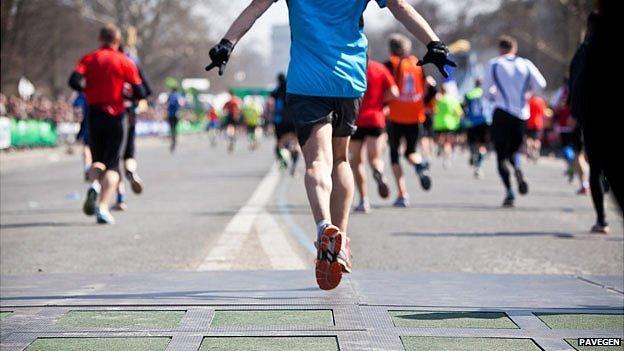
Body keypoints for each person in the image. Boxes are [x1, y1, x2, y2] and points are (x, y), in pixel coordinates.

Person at [205, 0, 453, 290]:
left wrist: (227, 43)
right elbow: (400, 7)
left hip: (306, 83)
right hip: (347, 80)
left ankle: (324, 226)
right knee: (340, 159)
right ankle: (342, 240)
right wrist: (433, 42)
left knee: (316, 162)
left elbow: (256, 8)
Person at [68, 23, 146, 224]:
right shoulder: (125, 61)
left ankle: (93, 186)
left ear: (100, 39)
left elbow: (74, 81)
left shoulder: (89, 58)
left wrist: (88, 90)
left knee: (97, 161)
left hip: (94, 114)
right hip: (117, 116)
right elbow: (141, 92)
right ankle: (103, 207)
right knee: (112, 166)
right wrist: (124, 93)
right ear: (118, 41)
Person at [483, 35, 546, 207]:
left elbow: (486, 91)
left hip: (502, 112)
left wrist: (494, 95)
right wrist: (526, 95)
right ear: (515, 49)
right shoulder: (525, 63)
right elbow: (541, 84)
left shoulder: (494, 63)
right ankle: (517, 168)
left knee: (501, 156)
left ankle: (509, 192)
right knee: (515, 150)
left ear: (500, 49)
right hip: (521, 115)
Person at [569, 10, 612, 233]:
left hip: (593, 116)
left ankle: (602, 220)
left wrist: (577, 115)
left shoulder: (585, 51)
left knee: (595, 168)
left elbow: (575, 84)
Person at [384, 34, 434, 208]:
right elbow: (432, 86)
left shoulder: (391, 64)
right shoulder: (418, 64)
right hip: (415, 115)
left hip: (395, 115)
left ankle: (402, 194)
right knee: (411, 151)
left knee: (394, 154)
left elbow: (386, 87)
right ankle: (420, 165)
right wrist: (424, 103)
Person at [350, 57, 399, 213]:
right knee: (375, 158)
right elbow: (394, 92)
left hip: (355, 118)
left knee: (357, 162)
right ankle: (379, 173)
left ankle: (363, 200)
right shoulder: (379, 69)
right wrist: (380, 101)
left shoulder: (350, 67)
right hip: (375, 118)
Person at [271, 73, 301, 175]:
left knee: (280, 143)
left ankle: (283, 157)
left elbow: (272, 97)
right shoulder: (296, 88)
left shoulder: (278, 90)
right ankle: (294, 166)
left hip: (280, 121)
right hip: (294, 119)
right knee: (296, 144)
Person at [433, 85, 463, 168]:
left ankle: (440, 147)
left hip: (439, 123)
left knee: (442, 140)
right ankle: (447, 158)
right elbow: (459, 113)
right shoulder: (453, 100)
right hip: (451, 124)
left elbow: (434, 110)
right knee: (448, 143)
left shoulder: (438, 100)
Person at [463, 79, 488, 178]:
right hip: (483, 122)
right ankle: (479, 166)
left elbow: (464, 107)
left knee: (472, 143)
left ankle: (473, 155)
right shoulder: (485, 94)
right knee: (482, 145)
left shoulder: (469, 94)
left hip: (471, 122)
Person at [73, 92, 91, 180]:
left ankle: (88, 168)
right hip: (100, 125)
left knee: (87, 148)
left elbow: (77, 107)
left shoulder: (84, 92)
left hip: (89, 125)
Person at [526, 94, 546, 162]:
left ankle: (529, 150)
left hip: (530, 122)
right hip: (538, 122)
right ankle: (535, 152)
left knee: (529, 138)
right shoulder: (541, 101)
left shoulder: (530, 101)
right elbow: (543, 112)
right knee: (537, 139)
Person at [166, 87, 183, 152]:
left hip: (170, 114)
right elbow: (181, 103)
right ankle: (174, 138)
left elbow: (167, 104)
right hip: (176, 114)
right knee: (175, 127)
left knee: (172, 127)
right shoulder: (178, 95)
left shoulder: (170, 95)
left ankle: (173, 138)